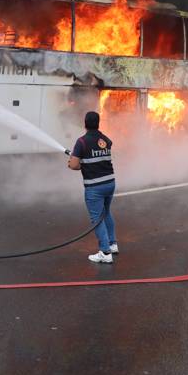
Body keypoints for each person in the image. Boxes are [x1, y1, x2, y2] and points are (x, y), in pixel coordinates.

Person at [67, 111, 118, 263]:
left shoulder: (81, 142)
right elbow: (95, 157)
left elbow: (75, 165)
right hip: (110, 183)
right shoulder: (106, 140)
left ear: (85, 124)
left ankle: (105, 252)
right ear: (98, 123)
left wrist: (72, 163)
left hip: (95, 187)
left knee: (97, 218)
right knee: (106, 213)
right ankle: (112, 244)